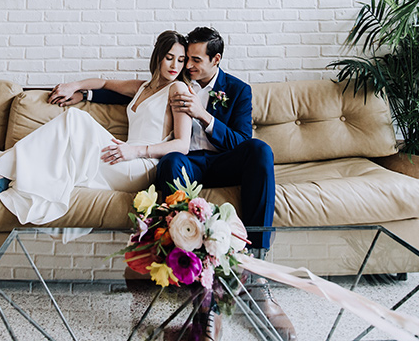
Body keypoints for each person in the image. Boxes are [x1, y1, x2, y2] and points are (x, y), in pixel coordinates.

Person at [74, 27, 294, 340]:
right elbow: (135, 91)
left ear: (215, 59)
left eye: (195, 60)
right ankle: (186, 271)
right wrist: (86, 93)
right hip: (187, 161)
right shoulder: (176, 82)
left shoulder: (239, 90)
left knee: (260, 149)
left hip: (222, 162)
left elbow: (241, 142)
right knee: (170, 162)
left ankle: (256, 270)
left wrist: (204, 116)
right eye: (184, 58)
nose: (187, 65)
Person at [0, 30, 192, 225]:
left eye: (181, 60)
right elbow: (104, 83)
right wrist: (76, 87)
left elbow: (182, 144)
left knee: (76, 120)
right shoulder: (143, 87)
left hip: (139, 166)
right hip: (118, 158)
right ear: (158, 57)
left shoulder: (178, 89)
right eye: (169, 57)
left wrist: (135, 151)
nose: (175, 65)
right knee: (63, 137)